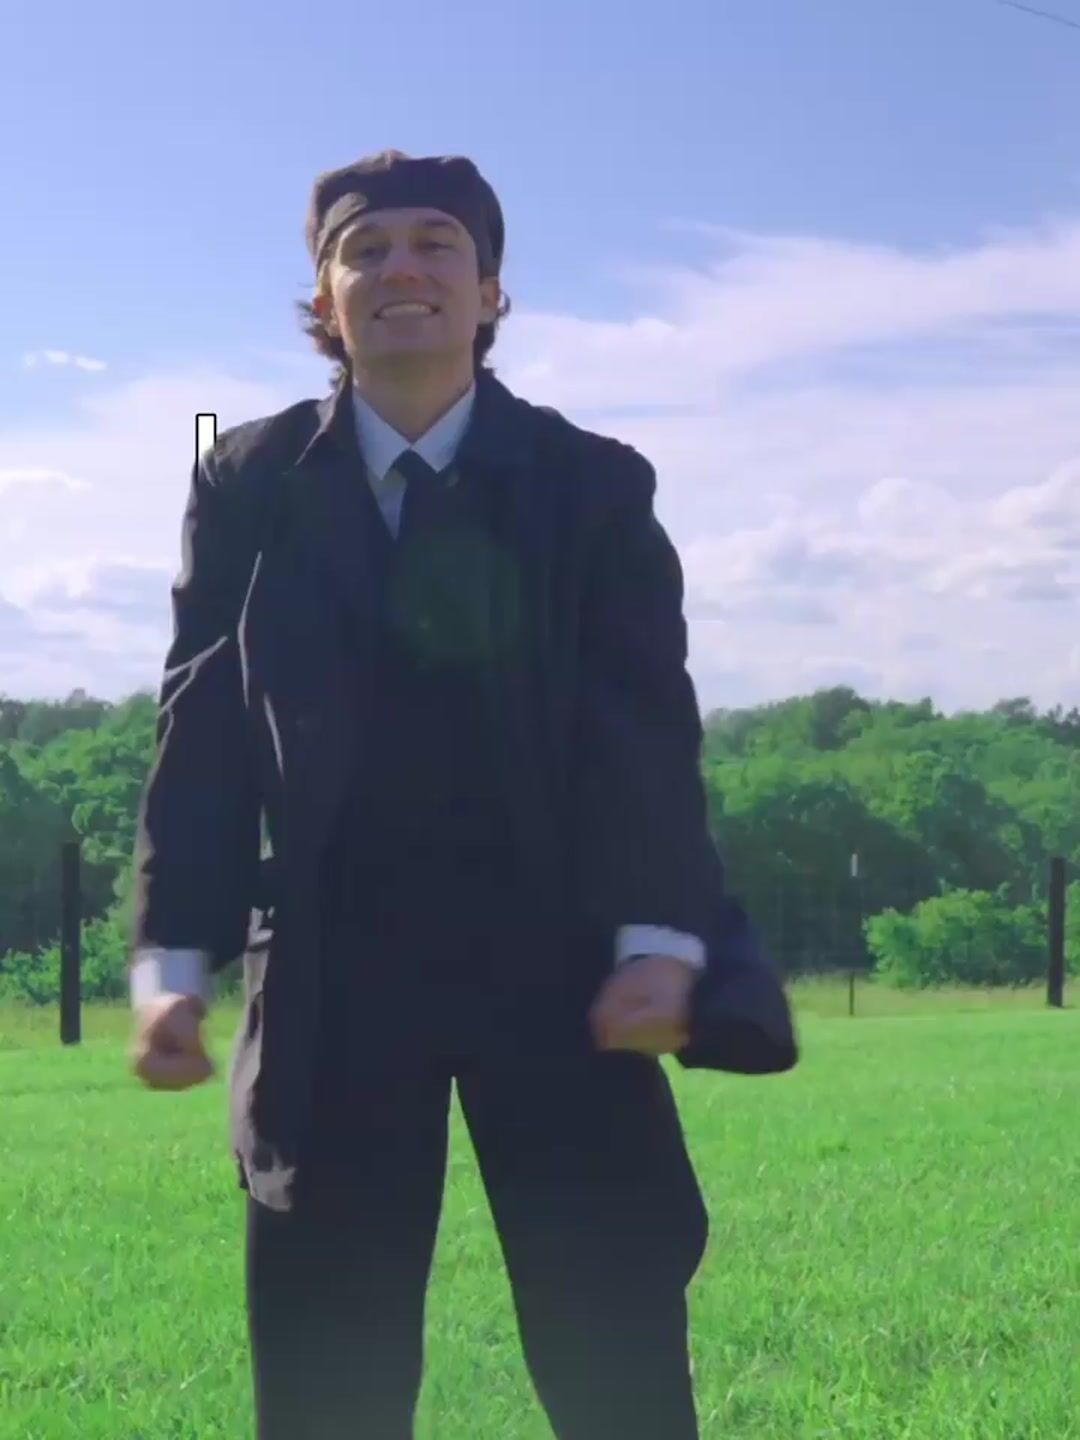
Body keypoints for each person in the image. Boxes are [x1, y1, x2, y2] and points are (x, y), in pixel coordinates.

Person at [127, 149, 726, 1440]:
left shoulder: (593, 485)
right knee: (326, 1375)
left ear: (491, 291)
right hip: (335, 960)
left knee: (615, 1352)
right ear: (324, 299)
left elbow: (642, 733)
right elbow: (202, 729)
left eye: (437, 245)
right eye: (365, 249)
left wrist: (657, 941)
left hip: (560, 962)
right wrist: (173, 960)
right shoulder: (248, 482)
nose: (402, 269)